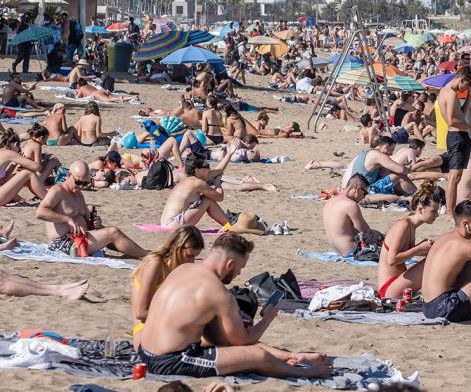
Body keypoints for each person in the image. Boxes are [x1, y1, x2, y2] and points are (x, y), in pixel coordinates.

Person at [136, 232, 331, 379]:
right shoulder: (217, 292)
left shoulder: (183, 269)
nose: (238, 274)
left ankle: (292, 357)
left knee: (227, 342)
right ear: (229, 264)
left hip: (145, 351)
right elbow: (241, 342)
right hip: (171, 361)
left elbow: (215, 336)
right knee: (256, 355)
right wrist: (267, 319)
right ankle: (305, 373)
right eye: (240, 268)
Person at [36, 161, 148, 258]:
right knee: (113, 232)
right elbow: (40, 212)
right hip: (61, 243)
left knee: (111, 233)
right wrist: (67, 219)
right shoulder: (58, 190)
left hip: (79, 238)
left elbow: (86, 224)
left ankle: (142, 253)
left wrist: (95, 224)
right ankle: (146, 256)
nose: (81, 186)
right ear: (69, 175)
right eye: (78, 182)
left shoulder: (79, 195)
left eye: (85, 183)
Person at [131, 226, 205, 346]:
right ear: (178, 247)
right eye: (190, 256)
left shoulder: (180, 267)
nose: (192, 262)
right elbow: (141, 313)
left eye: (195, 257)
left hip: (163, 322)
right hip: (145, 327)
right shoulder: (155, 264)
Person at [376, 183, 442, 299]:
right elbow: (392, 260)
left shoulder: (411, 225)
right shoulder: (403, 225)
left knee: (437, 255)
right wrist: (419, 248)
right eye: (433, 211)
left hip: (396, 283)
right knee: (435, 260)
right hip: (389, 288)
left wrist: (423, 249)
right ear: (421, 209)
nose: (437, 215)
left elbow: (404, 253)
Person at [437, 66, 471, 216]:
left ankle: (452, 210)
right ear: (462, 79)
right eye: (467, 85)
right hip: (456, 136)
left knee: (457, 177)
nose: (466, 88)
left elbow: (461, 114)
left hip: (460, 136)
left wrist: (469, 96)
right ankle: (449, 213)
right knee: (454, 177)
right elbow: (451, 121)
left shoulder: (452, 93)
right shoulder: (450, 94)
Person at [158, 151, 237, 230]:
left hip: (166, 223)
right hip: (173, 225)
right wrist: (217, 183)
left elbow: (218, 170)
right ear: (197, 170)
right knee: (207, 199)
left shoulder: (188, 180)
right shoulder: (198, 183)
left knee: (206, 198)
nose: (209, 168)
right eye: (207, 166)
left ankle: (227, 222)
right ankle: (229, 224)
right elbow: (219, 197)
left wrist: (229, 153)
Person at [322, 175, 380, 256]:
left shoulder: (330, 201)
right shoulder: (350, 205)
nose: (364, 197)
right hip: (351, 251)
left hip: (337, 251)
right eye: (365, 193)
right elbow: (365, 232)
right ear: (357, 189)